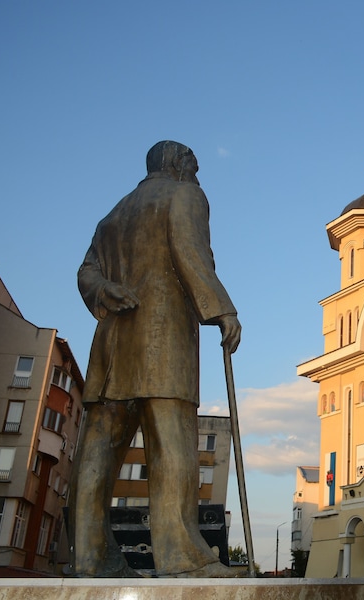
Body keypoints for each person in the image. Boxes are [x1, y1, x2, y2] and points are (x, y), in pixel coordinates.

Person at [69, 141, 242, 578]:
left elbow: (87, 271)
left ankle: (89, 557)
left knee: (97, 453)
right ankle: (181, 556)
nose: (197, 173)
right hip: (162, 343)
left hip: (112, 348)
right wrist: (221, 309)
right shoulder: (185, 194)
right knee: (172, 444)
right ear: (178, 164)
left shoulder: (113, 216)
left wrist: (104, 289)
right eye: (194, 165)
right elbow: (190, 252)